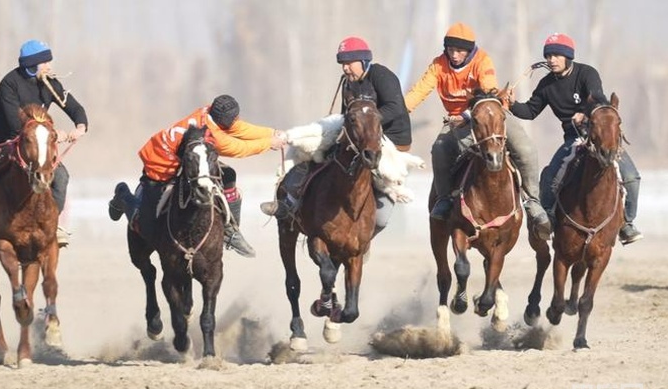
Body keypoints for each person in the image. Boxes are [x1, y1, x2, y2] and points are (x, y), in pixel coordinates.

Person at [404, 22, 552, 240]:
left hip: (487, 114)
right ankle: (444, 199)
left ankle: (532, 201)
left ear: (469, 50)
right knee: (439, 148)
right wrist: (398, 111)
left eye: (460, 51)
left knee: (526, 148)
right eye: (451, 50)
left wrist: (468, 114)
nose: (455, 55)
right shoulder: (438, 65)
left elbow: (488, 90)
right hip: (455, 122)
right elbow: (418, 91)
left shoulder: (482, 60)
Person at [260, 36, 412, 238]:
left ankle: (363, 238)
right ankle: (291, 200)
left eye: (349, 63)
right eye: (342, 64)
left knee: (382, 218)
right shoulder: (348, 83)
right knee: (316, 151)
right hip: (358, 139)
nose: (345, 69)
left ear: (363, 61)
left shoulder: (382, 76)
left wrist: (366, 123)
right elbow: (345, 115)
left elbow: (396, 108)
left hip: (390, 141)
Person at [0, 40, 88, 265]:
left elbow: (75, 108)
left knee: (62, 177)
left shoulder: (49, 83)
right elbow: (15, 125)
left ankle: (53, 226)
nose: (49, 65)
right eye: (45, 61)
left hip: (35, 145)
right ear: (32, 65)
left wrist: (80, 126)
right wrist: (56, 134)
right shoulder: (9, 84)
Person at [108, 95, 287, 258]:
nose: (237, 121)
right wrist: (270, 143)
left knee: (228, 174)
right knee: (148, 225)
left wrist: (270, 133)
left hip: (185, 159)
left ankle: (231, 230)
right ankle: (123, 197)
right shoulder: (212, 135)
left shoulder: (208, 111)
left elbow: (239, 128)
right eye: (234, 119)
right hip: (160, 165)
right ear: (224, 120)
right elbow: (239, 148)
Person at [507, 33, 643, 245]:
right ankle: (549, 218)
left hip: (598, 134)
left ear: (568, 57)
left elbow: (597, 98)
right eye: (548, 55)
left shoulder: (587, 73)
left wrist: (585, 113)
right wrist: (512, 104)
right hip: (574, 138)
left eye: (557, 55)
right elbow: (530, 111)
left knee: (632, 177)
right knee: (550, 177)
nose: (551, 60)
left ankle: (627, 223)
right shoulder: (546, 84)